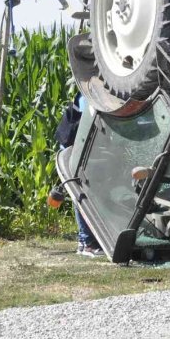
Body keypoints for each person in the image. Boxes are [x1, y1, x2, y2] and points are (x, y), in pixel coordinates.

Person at [55, 91, 102, 257]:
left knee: (87, 192)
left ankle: (87, 241)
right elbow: (87, 124)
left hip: (81, 146)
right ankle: (87, 243)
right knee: (81, 192)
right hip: (72, 149)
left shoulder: (94, 93)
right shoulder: (88, 95)